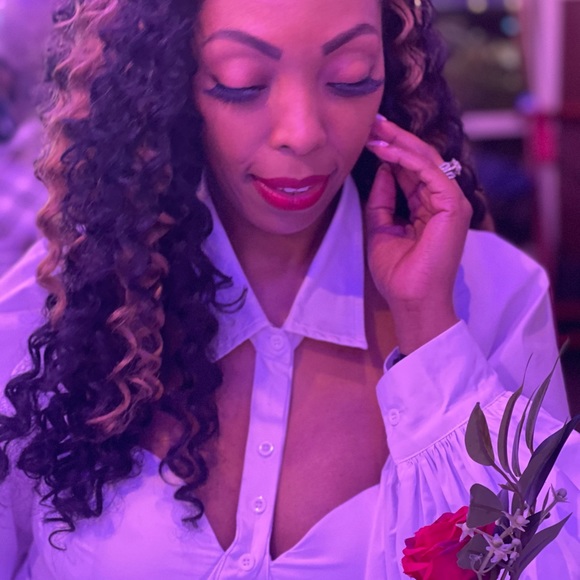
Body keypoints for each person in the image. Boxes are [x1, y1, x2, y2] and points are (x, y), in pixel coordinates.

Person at [0, 0, 578, 578]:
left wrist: (431, 335)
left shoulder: (492, 294)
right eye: (242, 83)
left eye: (350, 78)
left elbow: (543, 558)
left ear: (391, 72)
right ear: (171, 84)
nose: (301, 135)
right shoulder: (60, 304)